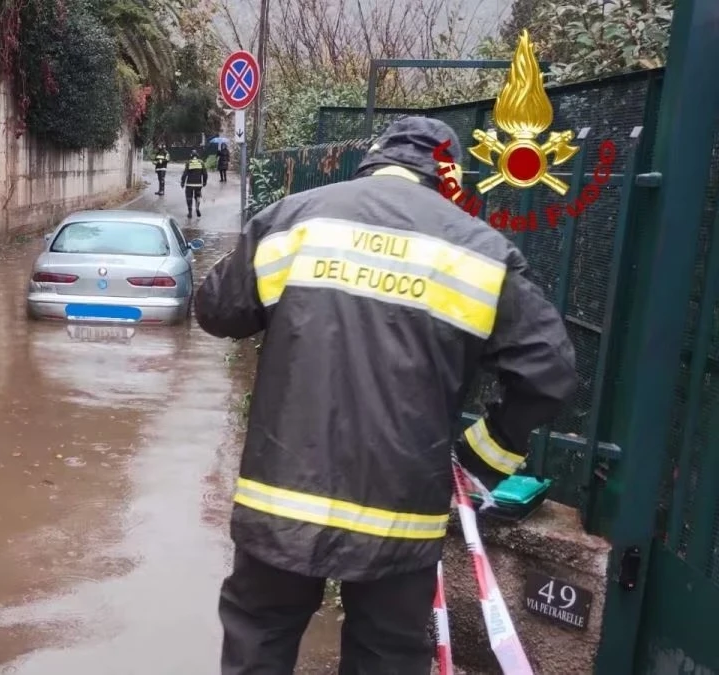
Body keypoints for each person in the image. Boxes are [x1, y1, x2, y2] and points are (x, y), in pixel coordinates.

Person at [193, 116, 577, 675]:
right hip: (402, 514)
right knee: (388, 656)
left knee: (260, 636)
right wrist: (480, 458)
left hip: (281, 498)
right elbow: (550, 372)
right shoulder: (480, 251)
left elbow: (215, 311)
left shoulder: (294, 221)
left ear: (371, 161)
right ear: (451, 180)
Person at [181, 149, 208, 218]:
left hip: (189, 184)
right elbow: (205, 173)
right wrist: (204, 182)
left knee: (189, 198)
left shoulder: (188, 163)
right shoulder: (201, 162)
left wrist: (182, 182)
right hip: (198, 185)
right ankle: (197, 208)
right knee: (198, 197)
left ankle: (190, 212)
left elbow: (185, 174)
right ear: (197, 155)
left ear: (191, 155)